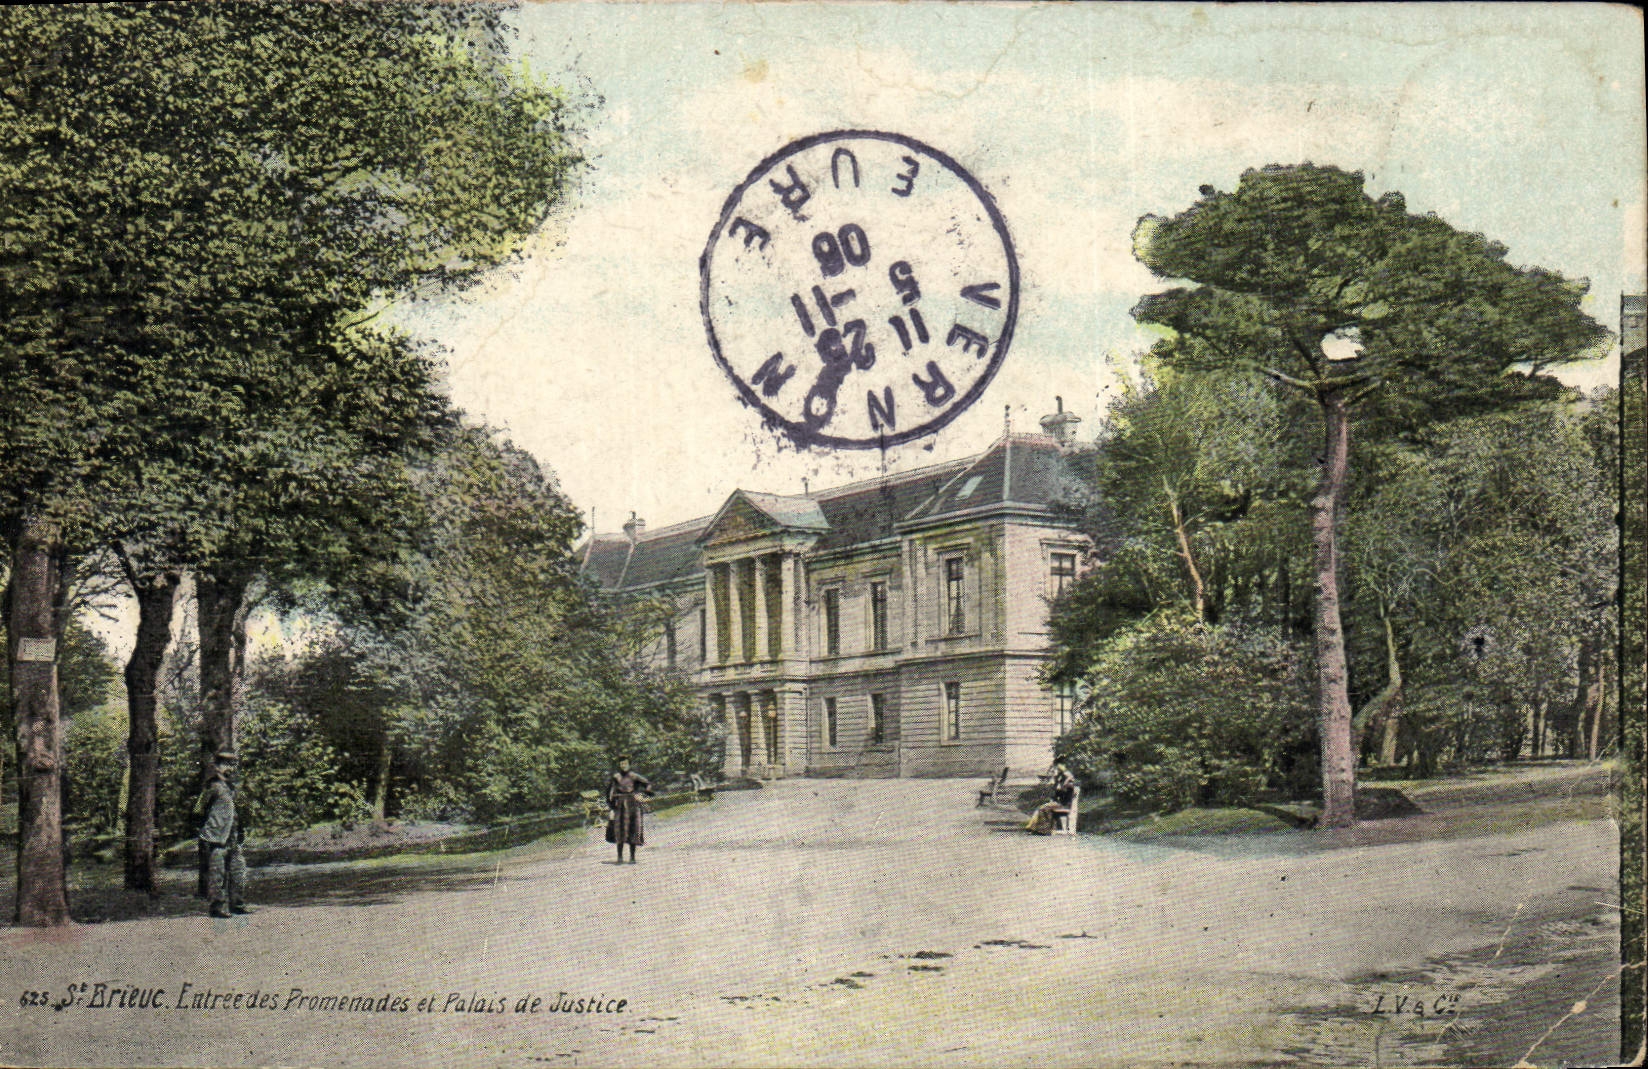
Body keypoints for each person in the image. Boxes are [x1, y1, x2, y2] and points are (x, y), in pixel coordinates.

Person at [195, 751, 249, 917]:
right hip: (216, 838)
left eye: (232, 765)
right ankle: (217, 907)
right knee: (217, 874)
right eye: (225, 764)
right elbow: (198, 810)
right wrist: (206, 831)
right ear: (217, 767)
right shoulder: (212, 786)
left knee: (238, 872)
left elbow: (238, 812)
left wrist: (241, 831)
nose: (229, 769)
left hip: (233, 838)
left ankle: (236, 904)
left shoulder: (233, 788)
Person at [605, 756, 651, 863]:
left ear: (629, 765)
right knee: (619, 829)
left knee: (633, 828)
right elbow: (608, 792)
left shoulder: (634, 776)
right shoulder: (616, 777)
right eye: (622, 764)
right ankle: (620, 857)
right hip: (620, 805)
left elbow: (648, 784)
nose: (623, 766)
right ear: (619, 765)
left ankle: (632, 857)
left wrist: (642, 795)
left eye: (625, 764)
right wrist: (611, 806)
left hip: (633, 805)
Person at [1025, 764, 1076, 836]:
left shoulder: (1069, 786)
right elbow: (1056, 795)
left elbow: (1065, 797)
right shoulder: (1061, 784)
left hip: (1063, 804)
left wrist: (1062, 786)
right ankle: (1035, 828)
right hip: (1058, 803)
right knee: (1041, 808)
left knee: (1044, 808)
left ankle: (1041, 829)